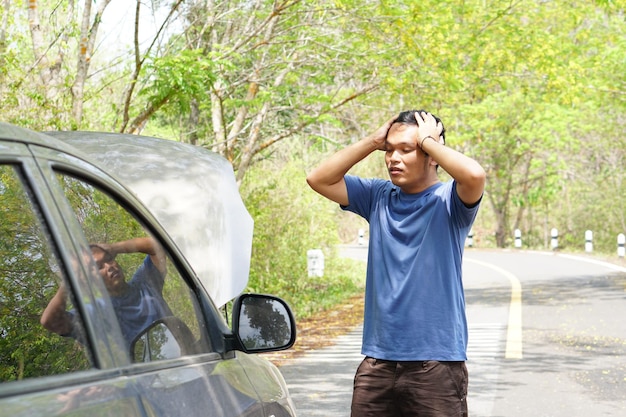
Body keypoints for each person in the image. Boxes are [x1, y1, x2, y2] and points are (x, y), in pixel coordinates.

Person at [306, 110, 486, 416]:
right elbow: (318, 178)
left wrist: (429, 140)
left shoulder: (449, 201)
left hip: (436, 364)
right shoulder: (378, 196)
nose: (393, 158)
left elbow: (474, 175)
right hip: (378, 361)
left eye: (406, 149)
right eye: (389, 150)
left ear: (432, 155)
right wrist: (372, 140)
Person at [41, 236, 172, 348]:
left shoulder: (145, 283)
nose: (109, 267)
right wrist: (70, 280)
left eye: (109, 259)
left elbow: (158, 245)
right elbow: (49, 321)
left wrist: (114, 248)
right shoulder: (94, 314)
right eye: (99, 267)